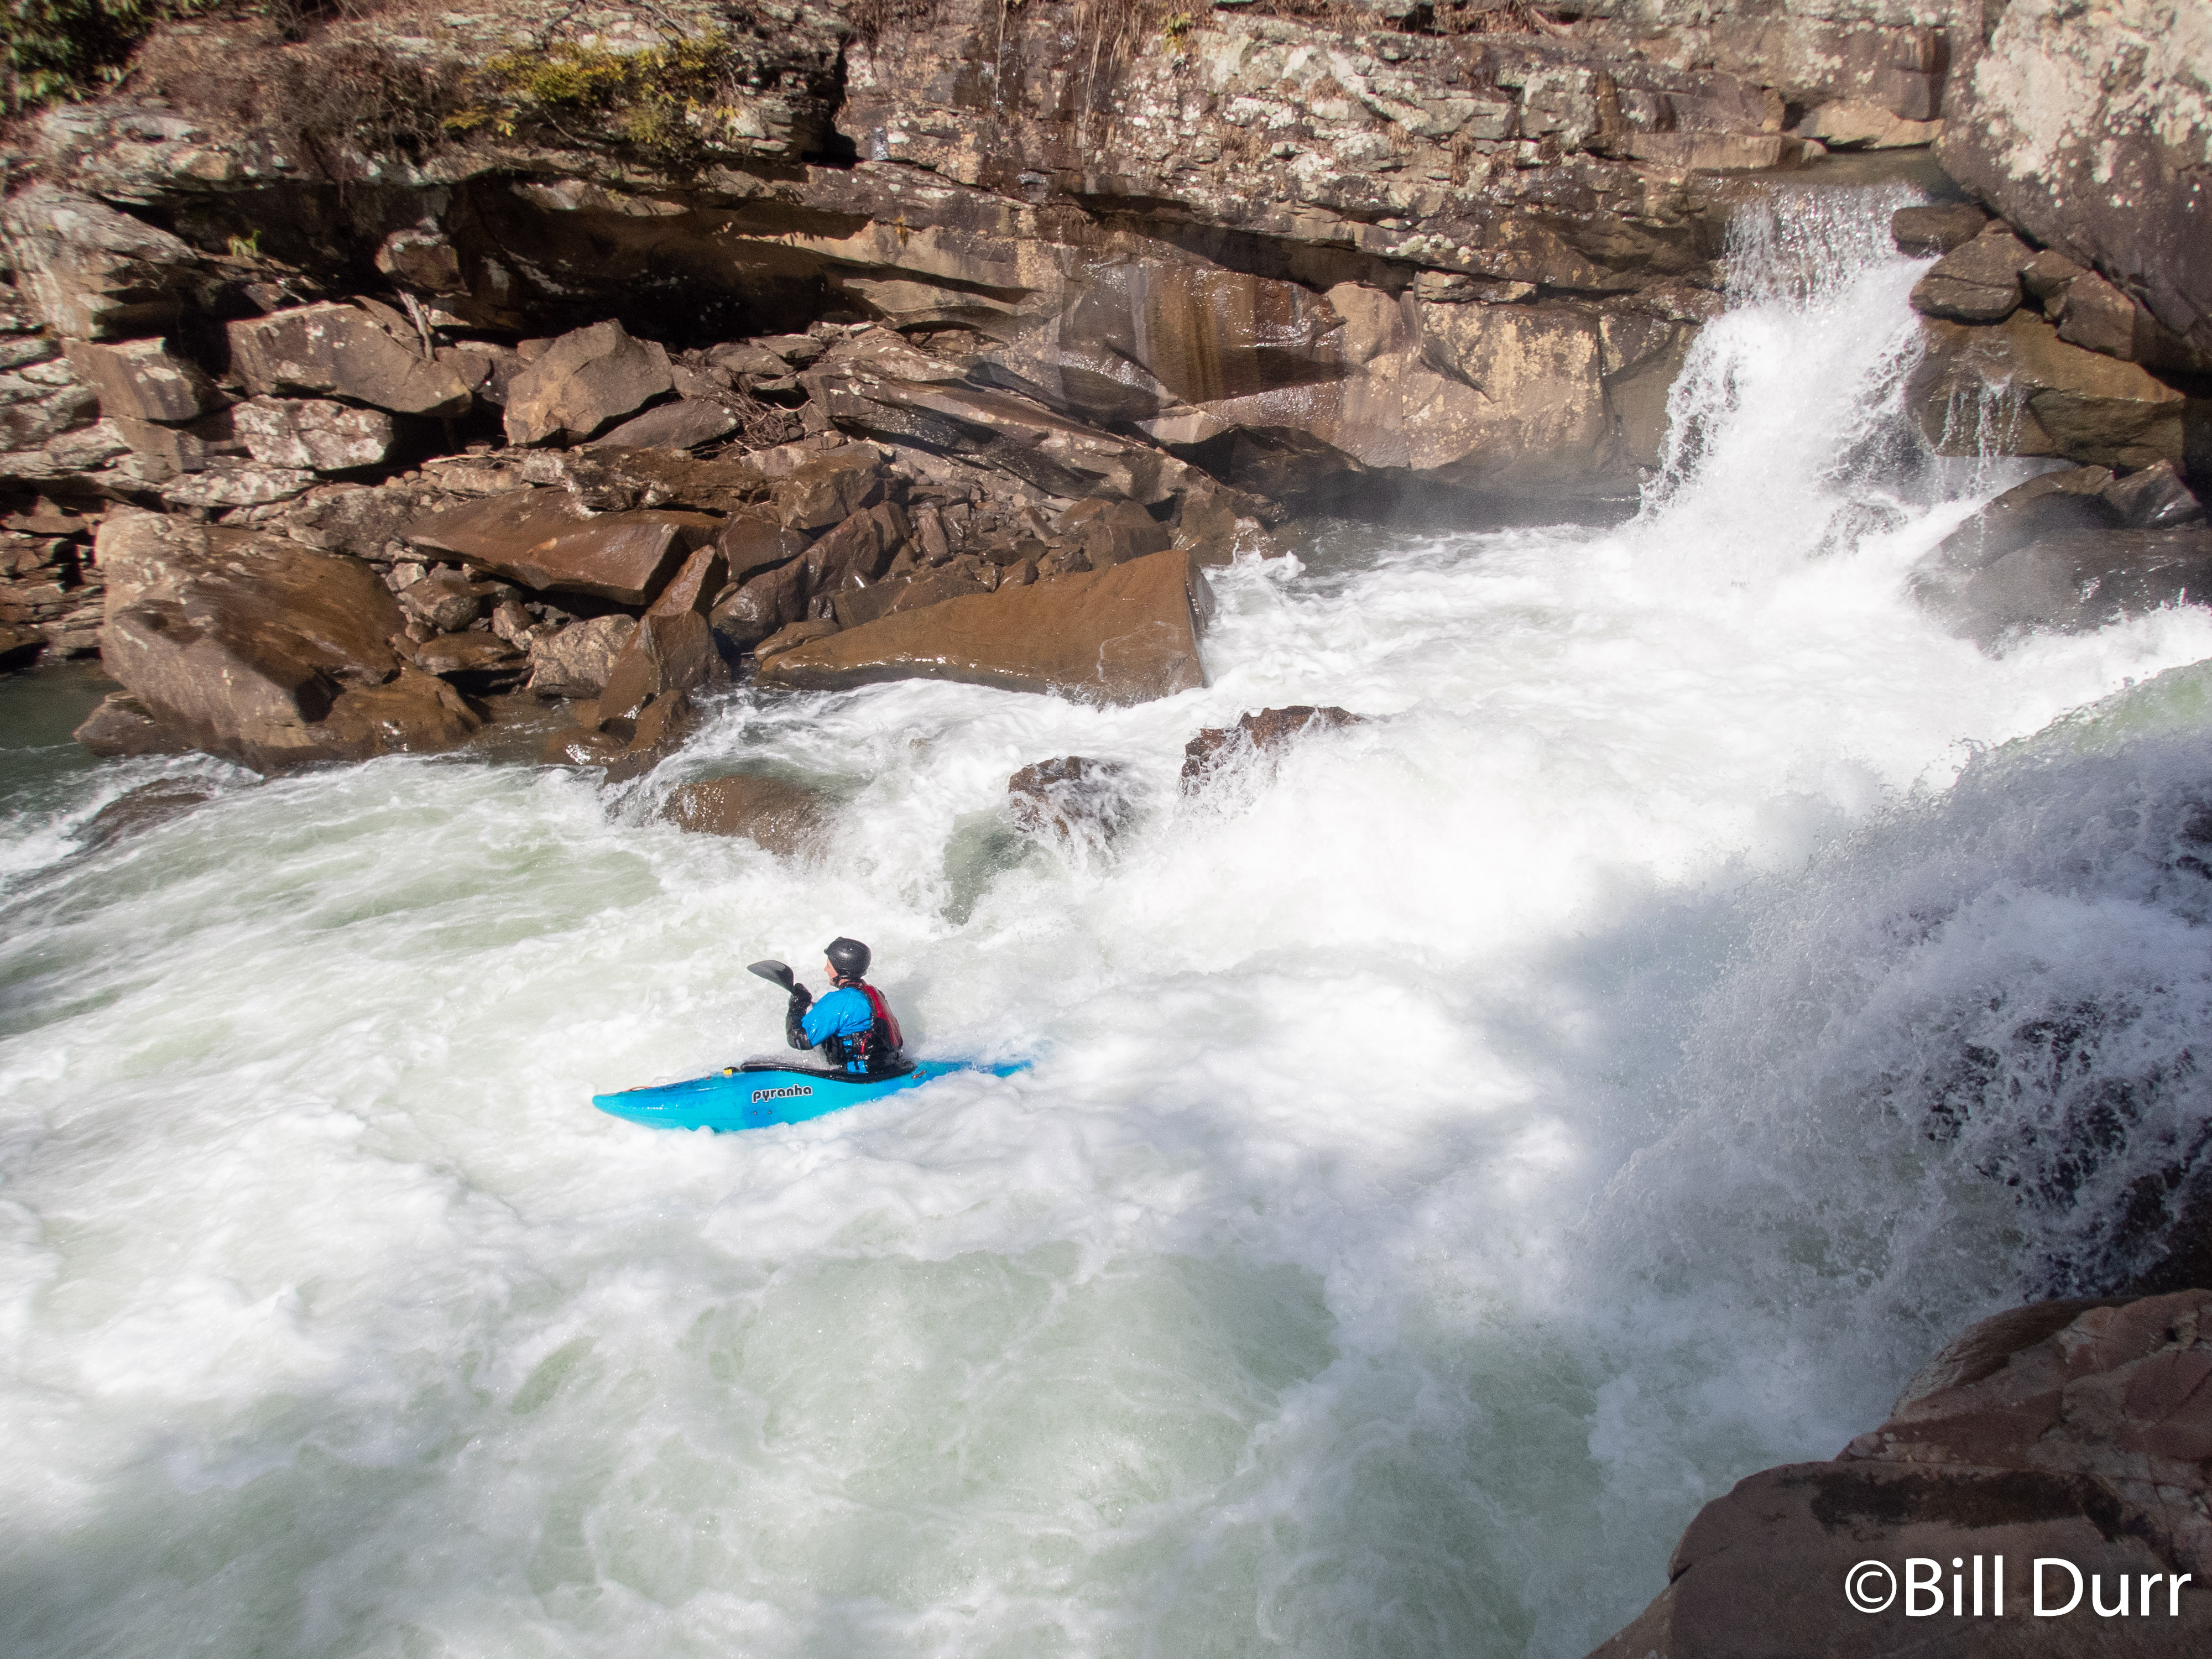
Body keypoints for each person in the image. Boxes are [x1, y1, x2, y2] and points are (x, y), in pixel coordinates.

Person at [785, 936, 905, 1074]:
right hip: (889, 1070)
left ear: (841, 970)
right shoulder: (874, 994)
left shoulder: (840, 1000)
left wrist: (797, 1005)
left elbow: (799, 1040)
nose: (826, 969)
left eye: (829, 966)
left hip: (858, 1078)